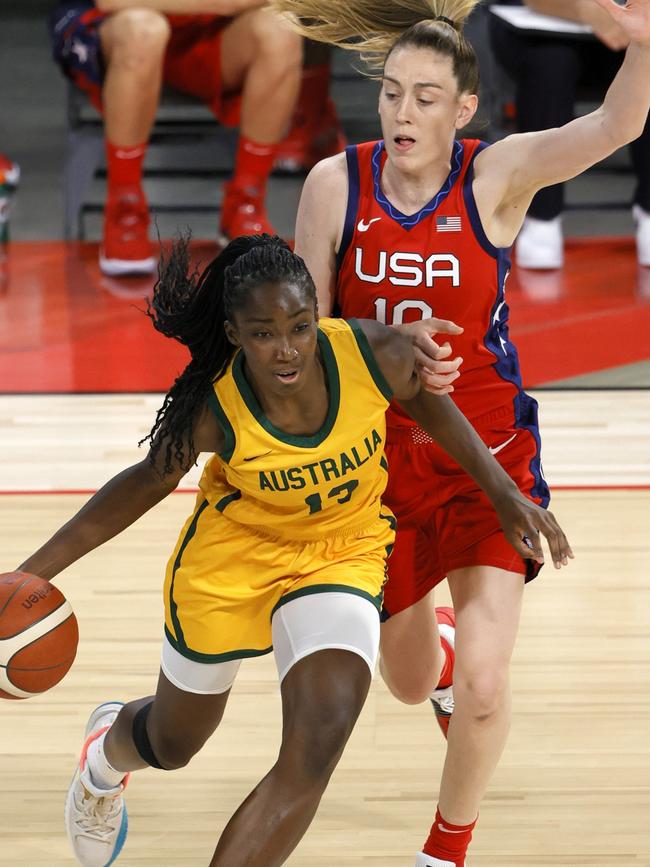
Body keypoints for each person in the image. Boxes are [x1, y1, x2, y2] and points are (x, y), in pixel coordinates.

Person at [14, 235, 570, 866]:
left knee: (318, 740)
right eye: (263, 333)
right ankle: (104, 759)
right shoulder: (212, 408)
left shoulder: (375, 354)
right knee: (175, 741)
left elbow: (429, 405)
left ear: (316, 317)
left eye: (300, 327)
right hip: (233, 559)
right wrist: (29, 575)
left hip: (342, 551)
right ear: (233, 333)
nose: (286, 350)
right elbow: (139, 487)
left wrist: (503, 493)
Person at [273, 0, 649, 863]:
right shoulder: (337, 184)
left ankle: (445, 848)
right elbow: (305, 346)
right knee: (409, 683)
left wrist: (645, 45)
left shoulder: (498, 176)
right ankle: (431, 658)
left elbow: (616, 122)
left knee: (485, 686)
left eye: (426, 98)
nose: (403, 114)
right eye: (394, 94)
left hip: (485, 453)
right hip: (379, 461)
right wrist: (385, 362)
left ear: (464, 109)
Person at [49, 1, 338, 277]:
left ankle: (244, 203)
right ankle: (125, 209)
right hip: (118, 28)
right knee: (144, 29)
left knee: (280, 27)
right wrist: (226, 4)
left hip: (208, 32)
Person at [489, 0, 650, 268]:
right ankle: (542, 214)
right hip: (541, 28)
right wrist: (590, 12)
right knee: (550, 62)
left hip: (628, 31)